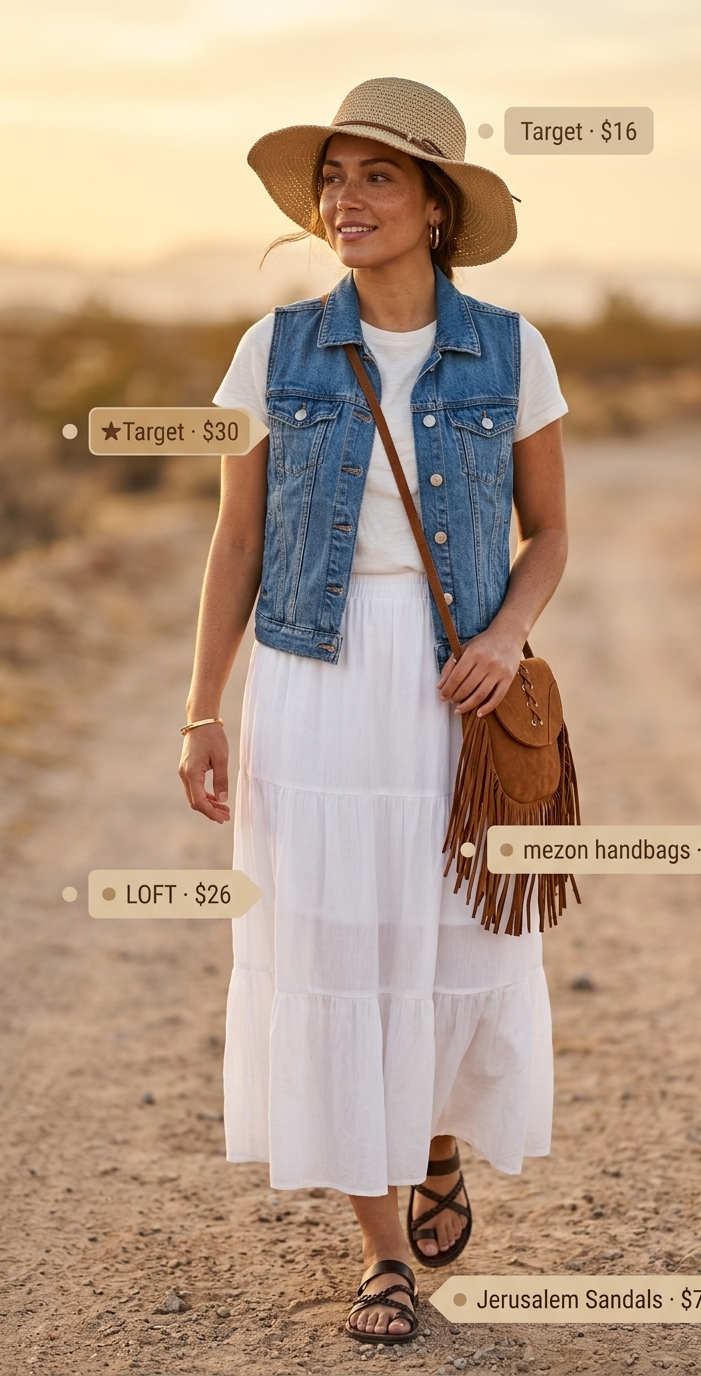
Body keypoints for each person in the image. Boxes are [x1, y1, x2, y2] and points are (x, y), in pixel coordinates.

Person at [179, 76, 569, 1347]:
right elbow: (236, 541)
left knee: (455, 940)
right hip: (313, 674)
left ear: (438, 206)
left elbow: (551, 532)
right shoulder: (274, 345)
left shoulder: (510, 346)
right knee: (339, 952)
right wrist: (203, 707)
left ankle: (438, 1138)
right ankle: (381, 1250)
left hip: (452, 677)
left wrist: (508, 637)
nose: (346, 199)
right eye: (334, 178)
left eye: (378, 177)